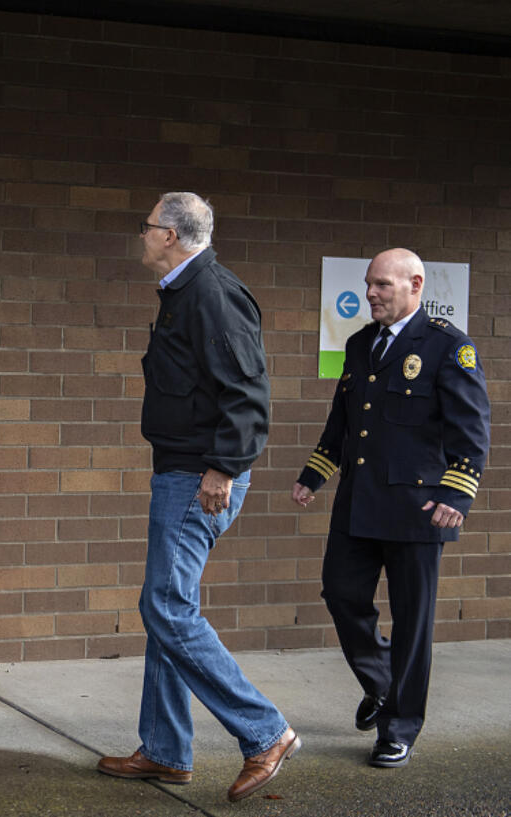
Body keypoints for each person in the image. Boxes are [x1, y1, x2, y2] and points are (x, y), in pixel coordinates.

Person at [97, 192, 299, 802]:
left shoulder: (213, 293)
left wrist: (223, 468)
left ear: (172, 236)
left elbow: (247, 389)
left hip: (199, 478)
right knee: (169, 606)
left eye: (148, 226)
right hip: (181, 472)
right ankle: (164, 748)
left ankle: (265, 732)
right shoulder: (185, 292)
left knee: (165, 606)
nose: (141, 235)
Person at [291, 248, 490, 768]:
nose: (372, 293)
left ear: (415, 284)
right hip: (358, 502)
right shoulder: (360, 345)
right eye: (368, 284)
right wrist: (314, 474)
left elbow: (471, 428)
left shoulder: (450, 347)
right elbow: (344, 418)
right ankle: (381, 683)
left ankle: (399, 728)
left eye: (382, 284)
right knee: (341, 593)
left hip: (417, 508)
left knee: (413, 623)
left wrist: (456, 494)